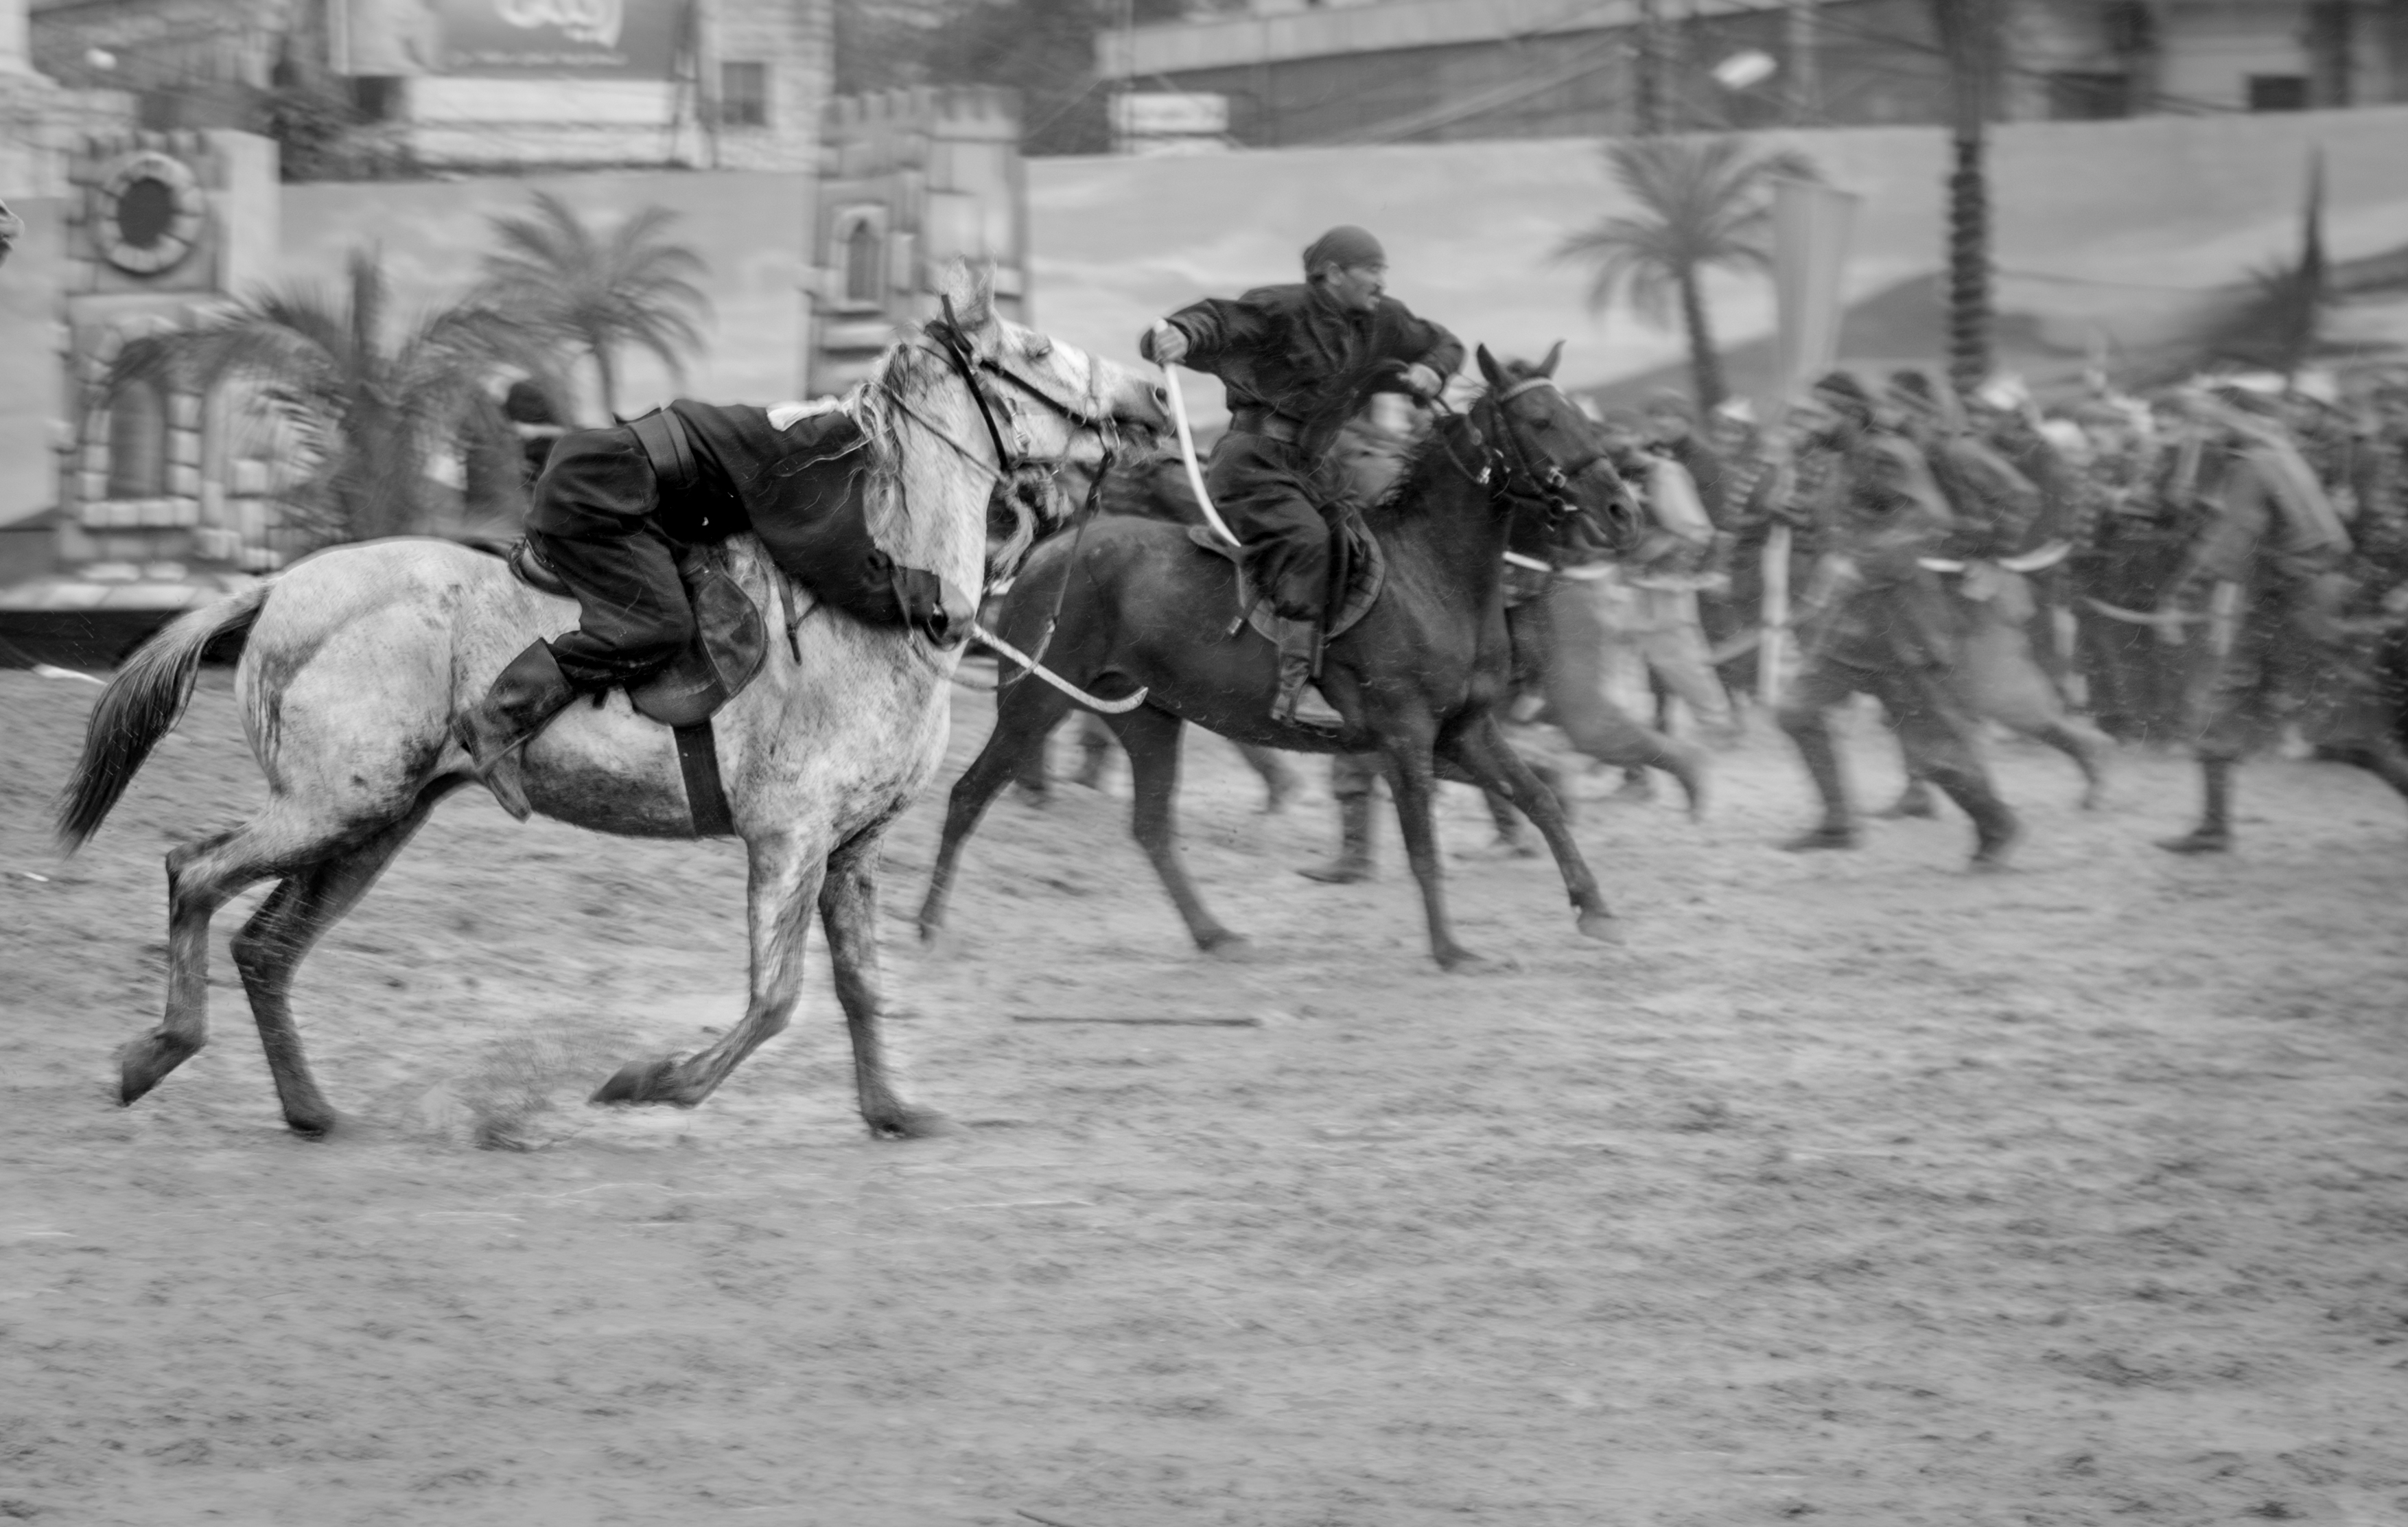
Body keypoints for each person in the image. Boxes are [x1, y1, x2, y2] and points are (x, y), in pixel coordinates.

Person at [454, 397, 859, 818]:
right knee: (658, 626)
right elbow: (815, 548)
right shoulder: (807, 454)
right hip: (600, 494)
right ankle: (496, 720)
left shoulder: (797, 432)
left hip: (635, 497)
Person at [1141, 225, 1462, 725]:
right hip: (1251, 461)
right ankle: (1293, 678)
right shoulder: (1280, 307)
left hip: (1315, 468)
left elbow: (1442, 342)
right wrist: (1182, 333)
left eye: (1383, 270)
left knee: (1355, 547)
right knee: (1307, 538)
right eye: (1371, 269)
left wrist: (1433, 370)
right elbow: (1217, 320)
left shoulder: (1387, 320)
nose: (1381, 280)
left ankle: (1343, 666)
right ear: (1333, 273)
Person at [1774, 372, 2022, 869]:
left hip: (1901, 627)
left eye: (1819, 414)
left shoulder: (1887, 455)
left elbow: (1927, 521)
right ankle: (1839, 822)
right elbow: (1848, 523)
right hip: (1848, 627)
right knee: (1796, 711)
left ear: (1848, 415)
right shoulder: (1838, 460)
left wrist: (1861, 565)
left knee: (1934, 753)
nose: (1810, 423)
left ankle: (1996, 822)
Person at [2155, 392, 2408, 852]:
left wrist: (2180, 593)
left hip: (2292, 602)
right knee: (2327, 719)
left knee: (2336, 723)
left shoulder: (2253, 463)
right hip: (2298, 597)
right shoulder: (2280, 454)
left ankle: (2214, 827)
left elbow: (2232, 538)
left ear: (2232, 419)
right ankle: (2213, 826)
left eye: (2208, 420)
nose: (2201, 430)